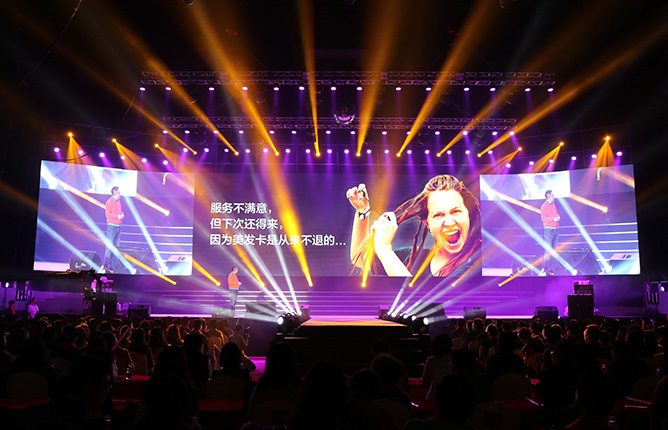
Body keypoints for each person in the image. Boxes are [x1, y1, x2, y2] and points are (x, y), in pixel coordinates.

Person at [347, 175, 481, 277]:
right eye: (438, 215)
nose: (449, 222)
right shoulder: (414, 258)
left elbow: (420, 300)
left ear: (468, 215)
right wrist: (363, 212)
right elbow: (360, 259)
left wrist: (384, 250)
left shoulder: (481, 261)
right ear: (428, 223)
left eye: (456, 211)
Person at [103, 186, 124, 274]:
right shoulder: (109, 202)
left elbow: (119, 211)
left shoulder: (118, 201)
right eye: (119, 192)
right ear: (115, 193)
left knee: (116, 246)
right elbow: (107, 215)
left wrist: (122, 214)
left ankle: (113, 265)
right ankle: (106, 265)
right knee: (109, 246)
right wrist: (117, 217)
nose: (120, 194)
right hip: (112, 226)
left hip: (119, 226)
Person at [540, 189, 560, 275]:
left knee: (555, 249)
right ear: (549, 197)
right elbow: (544, 219)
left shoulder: (553, 204)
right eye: (553, 195)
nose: (554, 197)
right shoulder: (543, 206)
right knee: (548, 249)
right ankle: (547, 268)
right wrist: (553, 219)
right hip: (549, 230)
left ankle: (554, 267)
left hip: (556, 228)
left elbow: (556, 213)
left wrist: (558, 216)